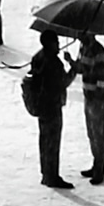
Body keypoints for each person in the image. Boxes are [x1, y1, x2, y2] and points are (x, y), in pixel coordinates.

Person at [29, 30, 77, 189]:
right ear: (50, 43)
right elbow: (63, 82)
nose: (58, 45)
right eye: (56, 42)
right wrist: (74, 68)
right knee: (53, 142)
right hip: (52, 106)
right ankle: (52, 176)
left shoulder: (38, 57)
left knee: (44, 140)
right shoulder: (54, 63)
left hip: (40, 105)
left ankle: (45, 173)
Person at [67, 34, 104, 185]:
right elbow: (82, 68)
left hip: (97, 98)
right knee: (91, 133)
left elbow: (103, 77)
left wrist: (97, 98)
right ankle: (96, 164)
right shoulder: (84, 48)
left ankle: (100, 169)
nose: (78, 35)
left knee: (98, 134)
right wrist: (71, 62)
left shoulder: (99, 52)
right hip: (89, 95)